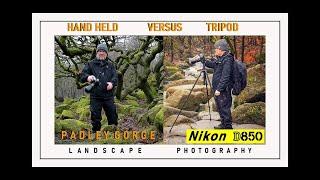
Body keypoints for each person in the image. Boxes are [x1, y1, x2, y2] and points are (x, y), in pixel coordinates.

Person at [80, 43, 118, 132]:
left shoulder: (111, 65)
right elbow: (82, 76)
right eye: (100, 51)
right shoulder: (90, 64)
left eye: (103, 51)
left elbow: (115, 78)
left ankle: (113, 134)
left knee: (112, 116)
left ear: (106, 53)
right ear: (97, 53)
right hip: (95, 96)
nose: (101, 53)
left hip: (109, 96)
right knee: (95, 118)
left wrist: (112, 84)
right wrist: (88, 77)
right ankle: (96, 134)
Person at [205, 39, 234, 129]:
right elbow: (213, 64)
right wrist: (204, 61)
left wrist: (219, 89)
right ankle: (223, 124)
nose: (215, 50)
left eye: (216, 49)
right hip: (218, 88)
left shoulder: (228, 59)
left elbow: (226, 77)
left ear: (220, 49)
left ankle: (228, 127)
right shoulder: (221, 58)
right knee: (220, 107)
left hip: (223, 90)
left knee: (224, 108)